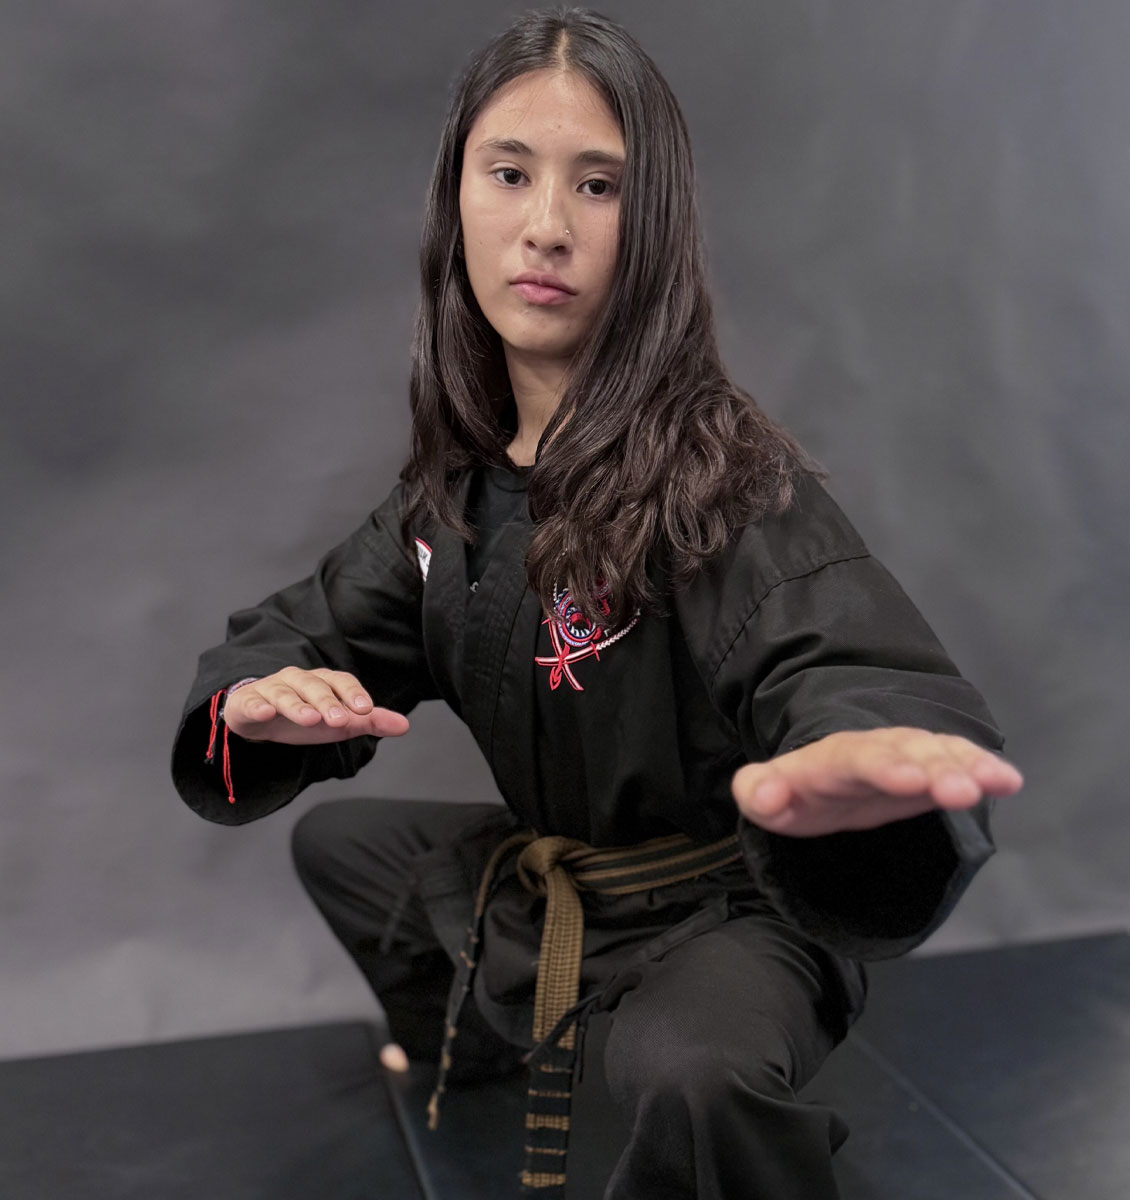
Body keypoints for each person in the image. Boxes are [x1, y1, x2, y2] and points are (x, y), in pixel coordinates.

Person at [171, 8, 1023, 1199]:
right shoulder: (450, 501)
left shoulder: (724, 480)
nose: (547, 227)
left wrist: (849, 765)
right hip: (561, 879)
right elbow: (293, 631)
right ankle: (467, 1050)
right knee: (341, 847)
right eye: (510, 173)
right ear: (456, 199)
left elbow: (847, 661)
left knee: (690, 1070)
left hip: (721, 912)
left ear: (654, 221)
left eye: (600, 185)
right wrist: (256, 702)